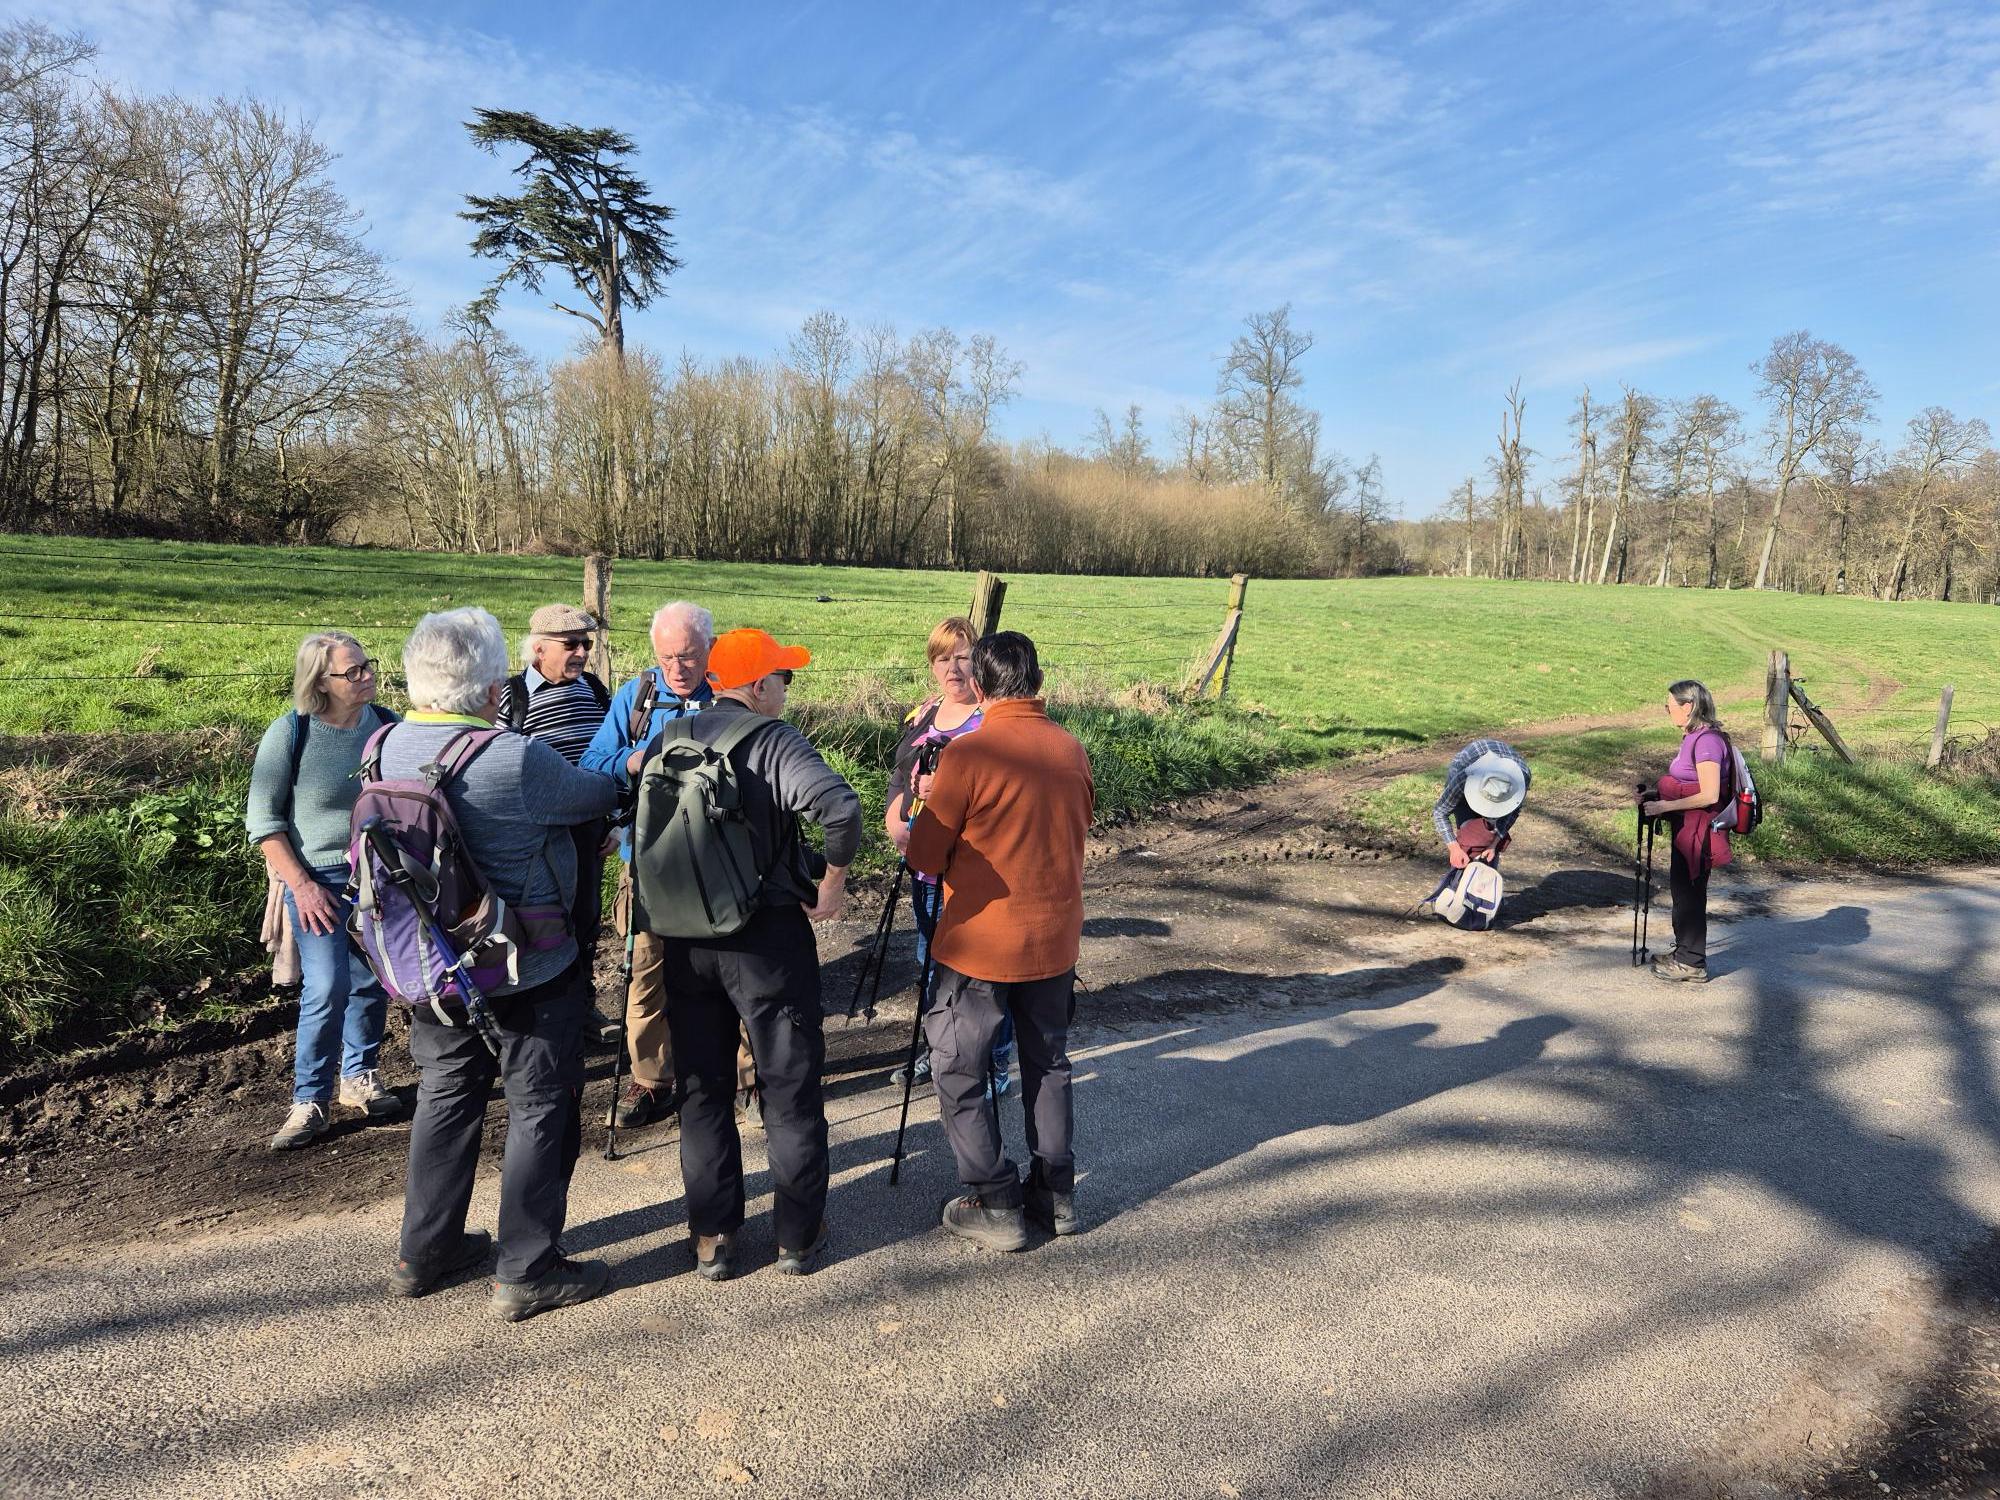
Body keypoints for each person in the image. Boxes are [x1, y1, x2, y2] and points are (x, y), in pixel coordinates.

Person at [379, 607, 621, 1321]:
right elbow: (597, 794)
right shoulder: (513, 757)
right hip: (528, 963)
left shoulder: (384, 744)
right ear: (492, 689)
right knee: (540, 1105)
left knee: (445, 1095)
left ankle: (424, 1251)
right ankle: (528, 1268)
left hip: (434, 962)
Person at [648, 627, 860, 1281]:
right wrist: (831, 884)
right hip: (764, 940)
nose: (787, 690)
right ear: (760, 685)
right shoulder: (773, 741)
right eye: (784, 678)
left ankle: (712, 1238)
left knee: (702, 1089)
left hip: (684, 937)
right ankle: (797, 1235)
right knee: (788, 1085)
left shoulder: (669, 738)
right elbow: (840, 809)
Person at [907, 631, 1094, 1252]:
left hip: (980, 946)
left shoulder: (970, 755)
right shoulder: (1071, 749)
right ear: (1037, 681)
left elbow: (925, 856)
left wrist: (927, 805)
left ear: (981, 686)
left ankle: (994, 1199)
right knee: (1048, 1063)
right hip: (1055, 939)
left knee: (959, 1067)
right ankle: (1056, 1195)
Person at [246, 632, 401, 1151]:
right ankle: (308, 1099)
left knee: (374, 979)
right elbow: (264, 823)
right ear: (320, 682)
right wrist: (303, 886)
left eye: (366, 666)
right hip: (317, 880)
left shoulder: (388, 726)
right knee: (327, 985)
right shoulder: (290, 733)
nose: (366, 676)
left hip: (378, 875)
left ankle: (360, 1077)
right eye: (351, 672)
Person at [580, 601, 731, 1130]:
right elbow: (593, 761)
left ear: (710, 648)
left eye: (687, 656)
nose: (676, 668)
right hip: (646, 860)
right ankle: (651, 1081)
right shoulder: (638, 695)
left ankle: (745, 1078)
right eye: (666, 657)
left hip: (718, 863)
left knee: (728, 971)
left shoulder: (731, 693)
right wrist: (636, 759)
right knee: (644, 972)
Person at [884, 615, 1015, 1096]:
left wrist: (944, 790)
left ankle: (994, 1063)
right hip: (923, 868)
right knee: (930, 964)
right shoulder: (924, 714)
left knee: (981, 974)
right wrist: (894, 816)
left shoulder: (992, 722)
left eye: (962, 657)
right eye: (942, 658)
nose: (952, 669)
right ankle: (939, 1049)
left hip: (972, 874)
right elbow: (900, 776)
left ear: (979, 661)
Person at [504, 603, 618, 1042]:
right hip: (539, 835)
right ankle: (537, 1015)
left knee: (586, 918)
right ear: (539, 649)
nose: (582, 653)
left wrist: (615, 821)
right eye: (571, 644)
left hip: (590, 830)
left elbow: (614, 756)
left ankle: (581, 1008)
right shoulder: (513, 697)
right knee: (542, 922)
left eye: (586, 644)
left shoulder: (595, 689)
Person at [1642, 679, 1733, 984]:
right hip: (1687, 827)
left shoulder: (1707, 742)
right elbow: (1687, 783)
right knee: (1682, 891)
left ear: (1689, 706)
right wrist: (1656, 794)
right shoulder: (1694, 738)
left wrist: (1665, 806)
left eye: (1669, 706)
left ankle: (1692, 962)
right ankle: (1684, 953)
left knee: (1690, 894)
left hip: (1699, 832)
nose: (1667, 711)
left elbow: (1709, 794)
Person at [1433, 739, 1531, 869]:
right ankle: (1460, 874)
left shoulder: (1521, 778)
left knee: (1489, 837)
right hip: (1469, 767)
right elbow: (1440, 812)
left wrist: (1493, 844)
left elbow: (1513, 812)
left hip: (1507, 774)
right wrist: (1454, 848)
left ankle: (1486, 872)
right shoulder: (1464, 776)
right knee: (1468, 837)